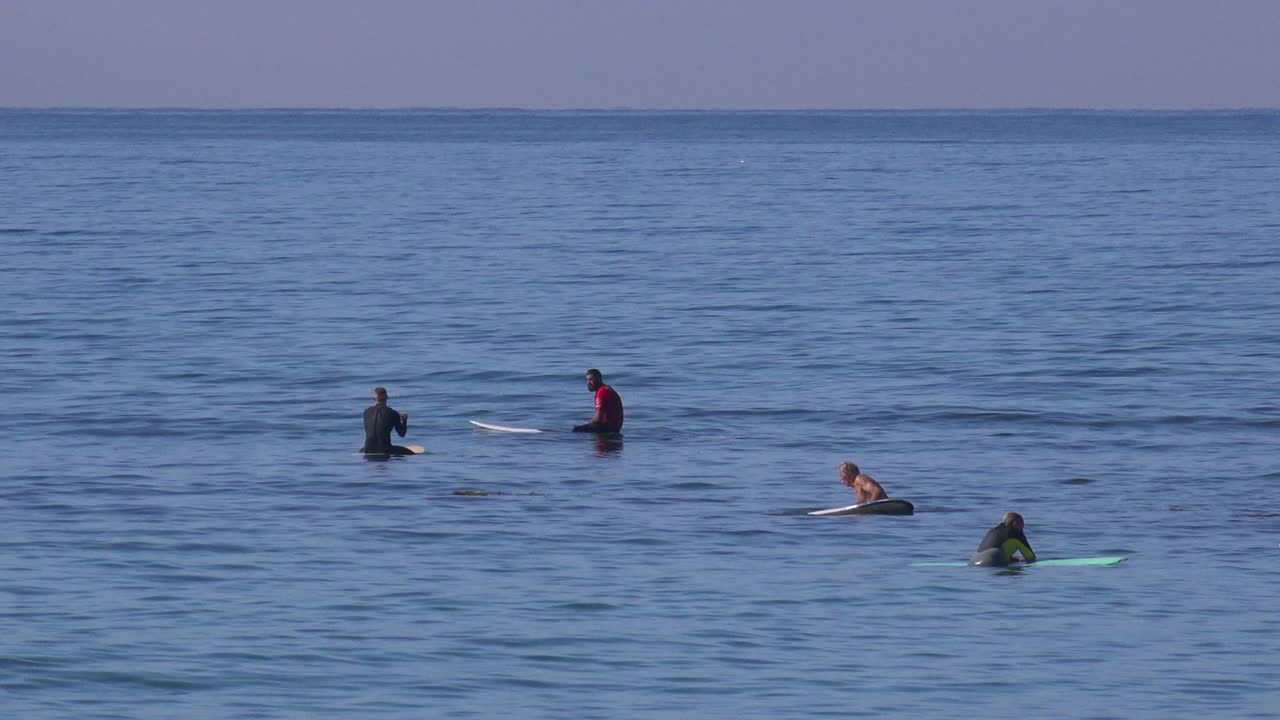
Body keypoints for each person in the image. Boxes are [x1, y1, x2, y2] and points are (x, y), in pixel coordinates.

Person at [969, 512, 1037, 567]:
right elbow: (1031, 558)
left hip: (972, 562)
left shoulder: (992, 531)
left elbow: (998, 548)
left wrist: (1014, 559)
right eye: (1022, 526)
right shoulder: (1016, 533)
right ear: (1015, 523)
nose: (1022, 529)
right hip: (990, 563)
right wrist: (1020, 559)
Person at [361, 386, 415, 456]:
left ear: (373, 399)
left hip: (368, 450)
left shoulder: (366, 412)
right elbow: (402, 434)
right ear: (387, 398)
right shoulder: (392, 413)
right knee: (411, 454)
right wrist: (404, 420)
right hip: (385, 450)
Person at [572, 368, 623, 433]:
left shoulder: (601, 392)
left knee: (575, 429)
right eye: (587, 380)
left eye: (591, 380)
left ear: (598, 379)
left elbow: (599, 418)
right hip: (615, 427)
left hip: (609, 428)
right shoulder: (606, 388)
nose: (588, 383)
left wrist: (588, 423)